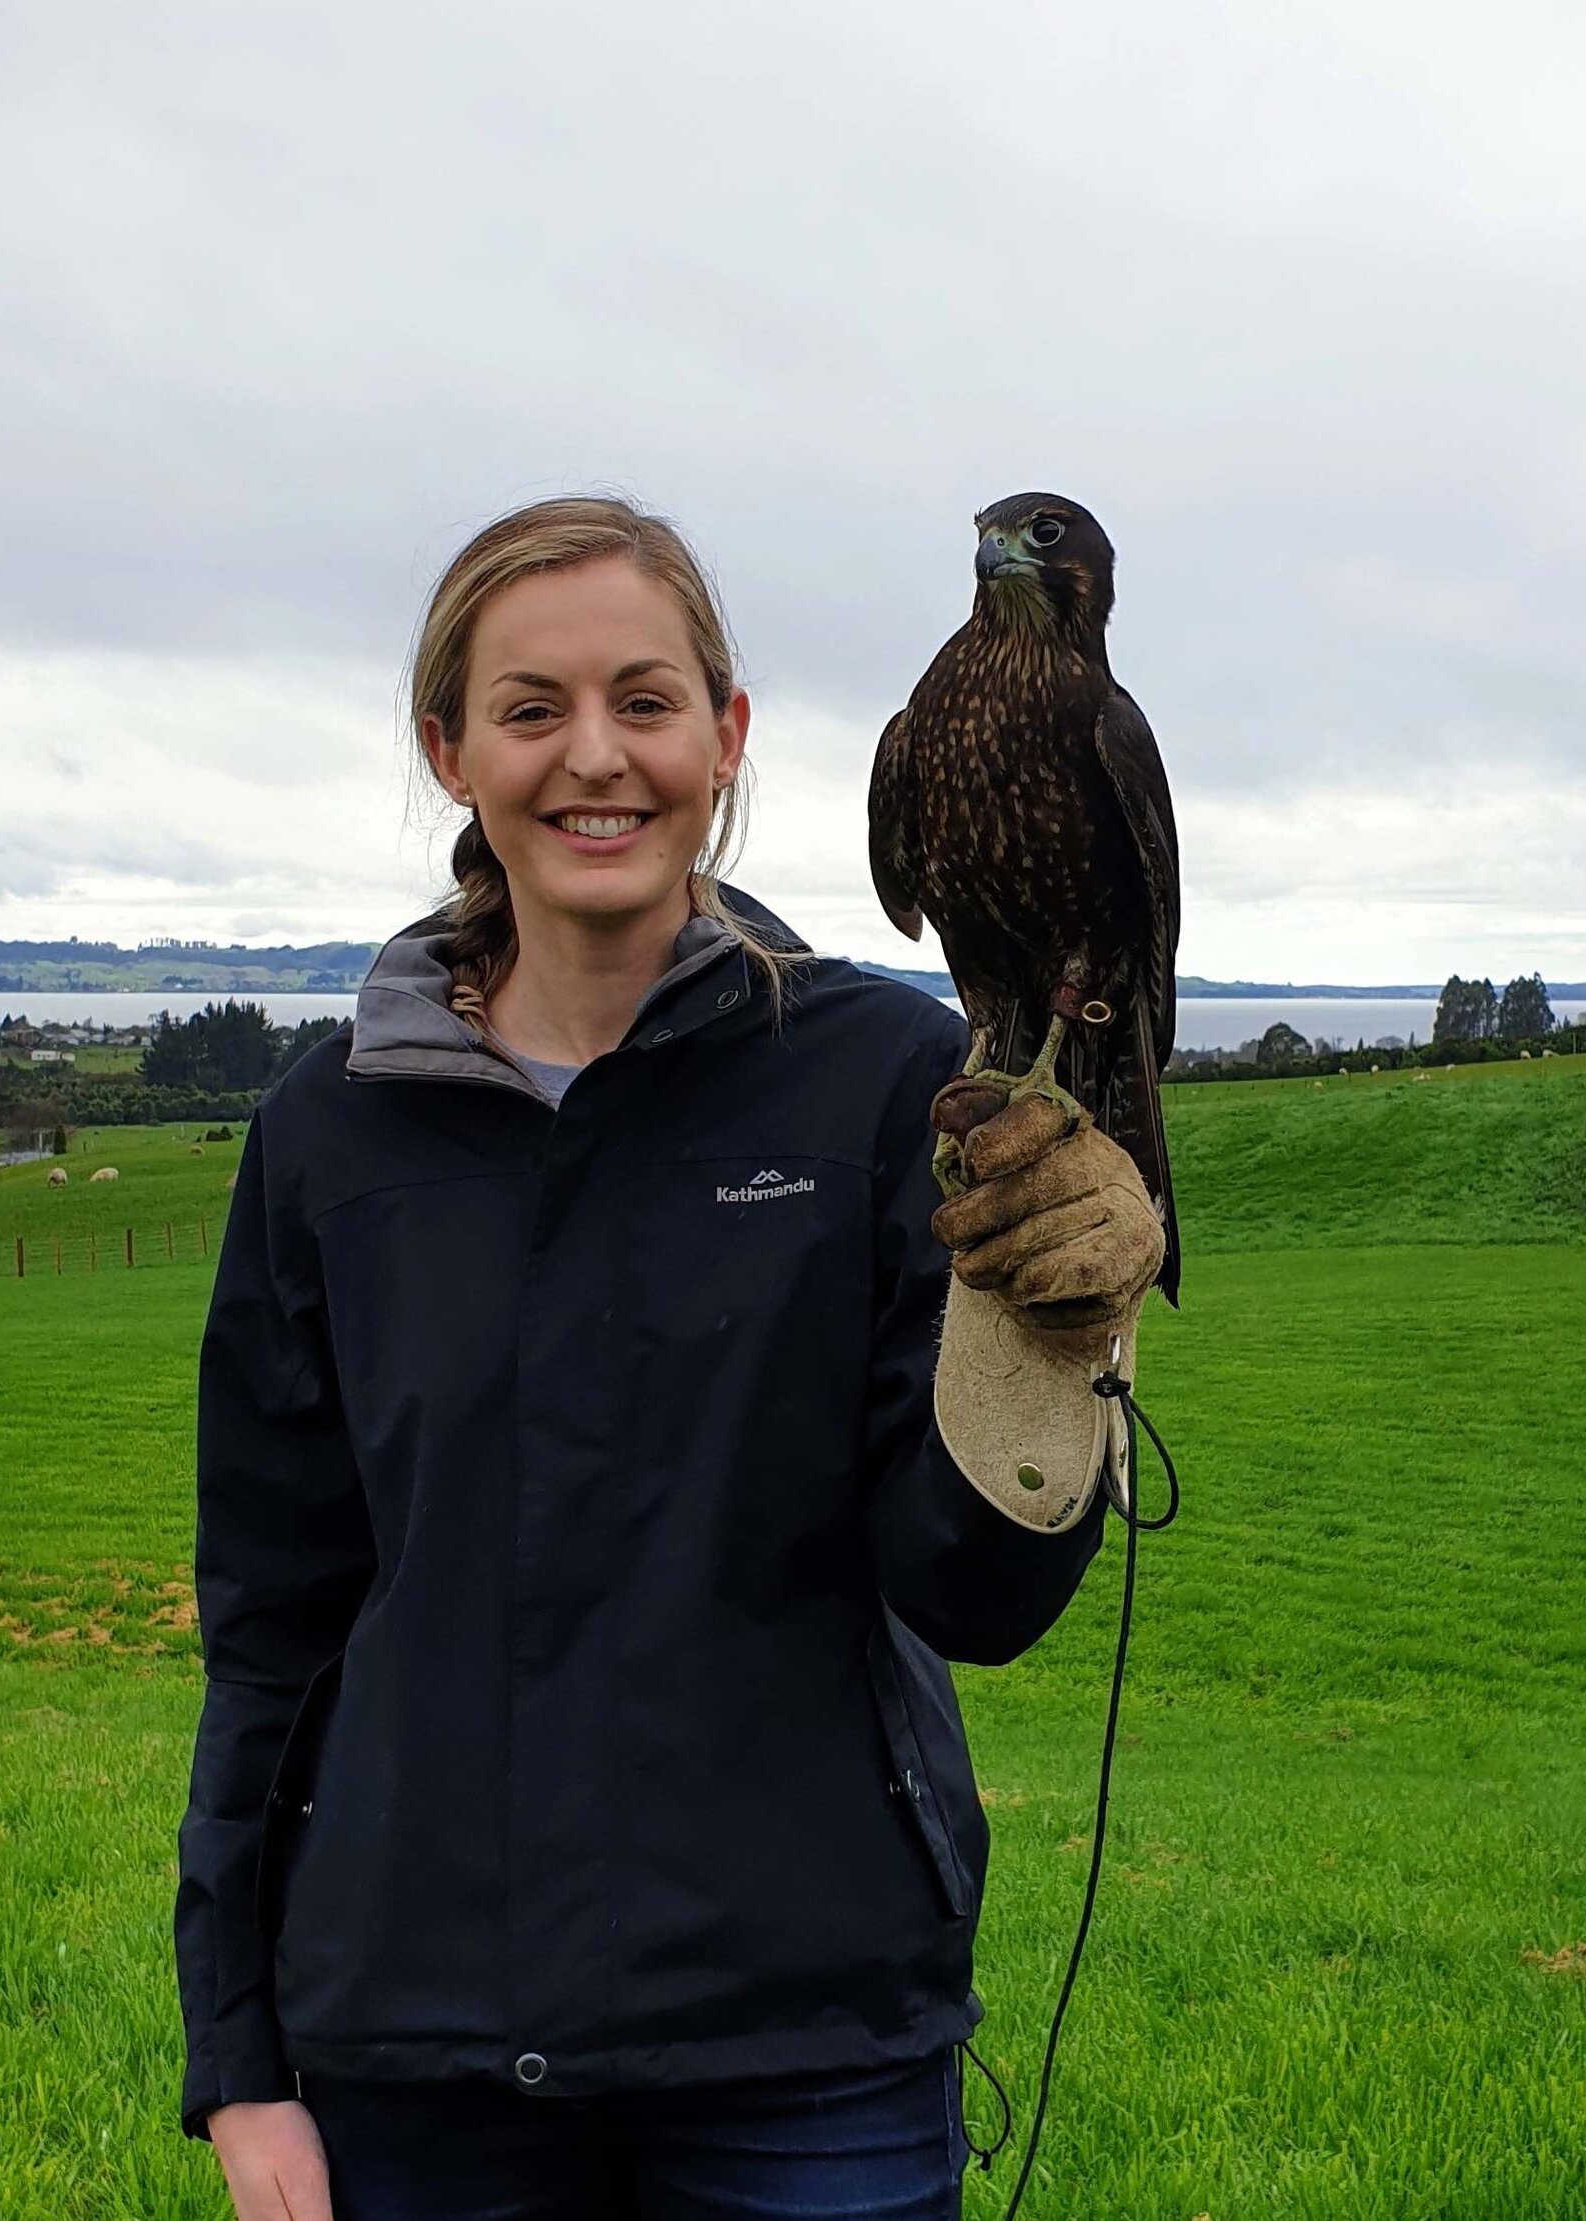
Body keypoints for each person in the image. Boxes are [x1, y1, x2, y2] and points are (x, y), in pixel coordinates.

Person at [176, 496, 1167, 2219]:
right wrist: (242, 2059)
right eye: (532, 708)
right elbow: (273, 1626)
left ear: (727, 735)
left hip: (810, 2056)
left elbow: (973, 1592)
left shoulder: (886, 1080)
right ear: (450, 749)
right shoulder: (331, 1137)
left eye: (645, 701)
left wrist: (1050, 1346)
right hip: (417, 2059)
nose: (595, 760)